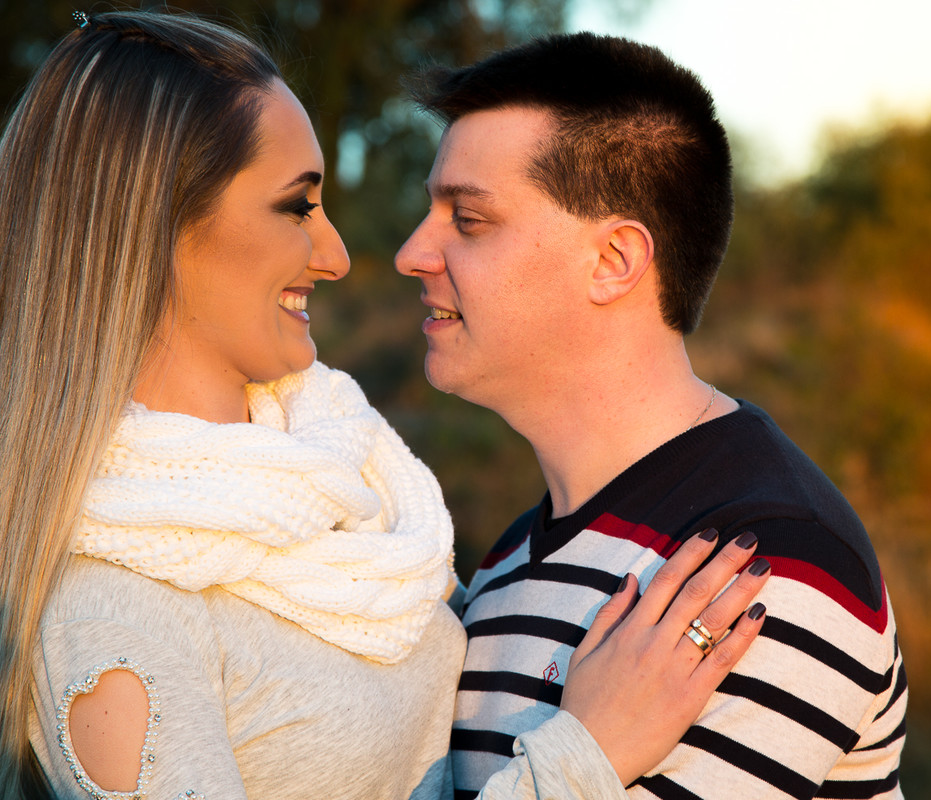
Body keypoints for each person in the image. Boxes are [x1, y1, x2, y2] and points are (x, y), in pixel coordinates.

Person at [0, 11, 770, 800]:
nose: (337, 256)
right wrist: (588, 754)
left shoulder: (350, 481)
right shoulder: (112, 611)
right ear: (155, 222)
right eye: (298, 207)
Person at [395, 32, 909, 800]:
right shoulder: (507, 567)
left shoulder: (763, 567)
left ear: (614, 262)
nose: (412, 252)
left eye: (468, 220)